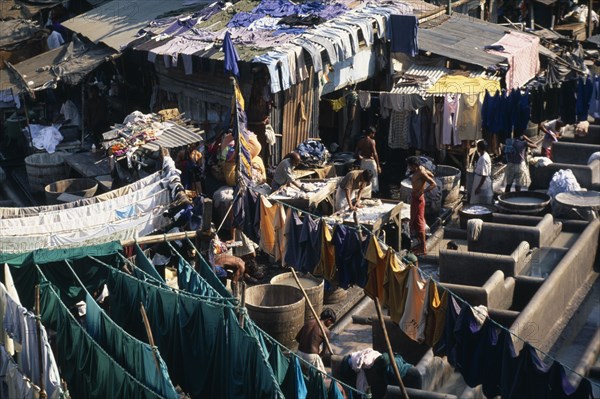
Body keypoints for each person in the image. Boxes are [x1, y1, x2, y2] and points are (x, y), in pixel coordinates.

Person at [406, 156, 437, 256]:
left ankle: (423, 248)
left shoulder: (421, 172)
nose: (410, 169)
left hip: (418, 200)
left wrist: (422, 191)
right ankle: (419, 246)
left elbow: (433, 183)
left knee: (419, 223)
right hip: (415, 198)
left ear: (415, 166)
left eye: (410, 167)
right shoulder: (422, 169)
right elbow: (431, 174)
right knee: (414, 221)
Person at [295, 308, 336, 374]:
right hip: (311, 358)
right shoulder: (326, 331)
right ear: (329, 320)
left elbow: (297, 338)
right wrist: (318, 355)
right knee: (322, 377)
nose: (329, 325)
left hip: (299, 353)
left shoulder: (308, 322)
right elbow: (324, 352)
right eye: (330, 323)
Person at [355, 127, 381, 193]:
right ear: (370, 133)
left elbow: (356, 152)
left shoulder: (360, 141)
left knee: (364, 177)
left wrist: (360, 156)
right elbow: (375, 153)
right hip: (370, 162)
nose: (374, 135)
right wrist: (378, 165)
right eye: (373, 134)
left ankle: (364, 191)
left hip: (363, 161)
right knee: (373, 178)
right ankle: (373, 191)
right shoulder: (372, 141)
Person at [471, 140, 493, 205]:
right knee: (478, 198)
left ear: (479, 148)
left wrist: (478, 187)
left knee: (482, 199)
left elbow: (484, 175)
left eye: (477, 147)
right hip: (478, 179)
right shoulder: (484, 155)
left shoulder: (484, 158)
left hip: (482, 181)